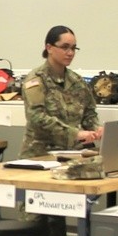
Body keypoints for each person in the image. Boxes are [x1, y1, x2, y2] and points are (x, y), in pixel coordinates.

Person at [19, 25, 102, 157]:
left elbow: (89, 113)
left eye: (73, 48)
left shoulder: (77, 81)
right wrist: (76, 134)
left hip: (72, 152)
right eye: (65, 47)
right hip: (41, 154)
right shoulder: (36, 80)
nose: (70, 53)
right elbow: (37, 118)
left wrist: (97, 129)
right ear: (49, 48)